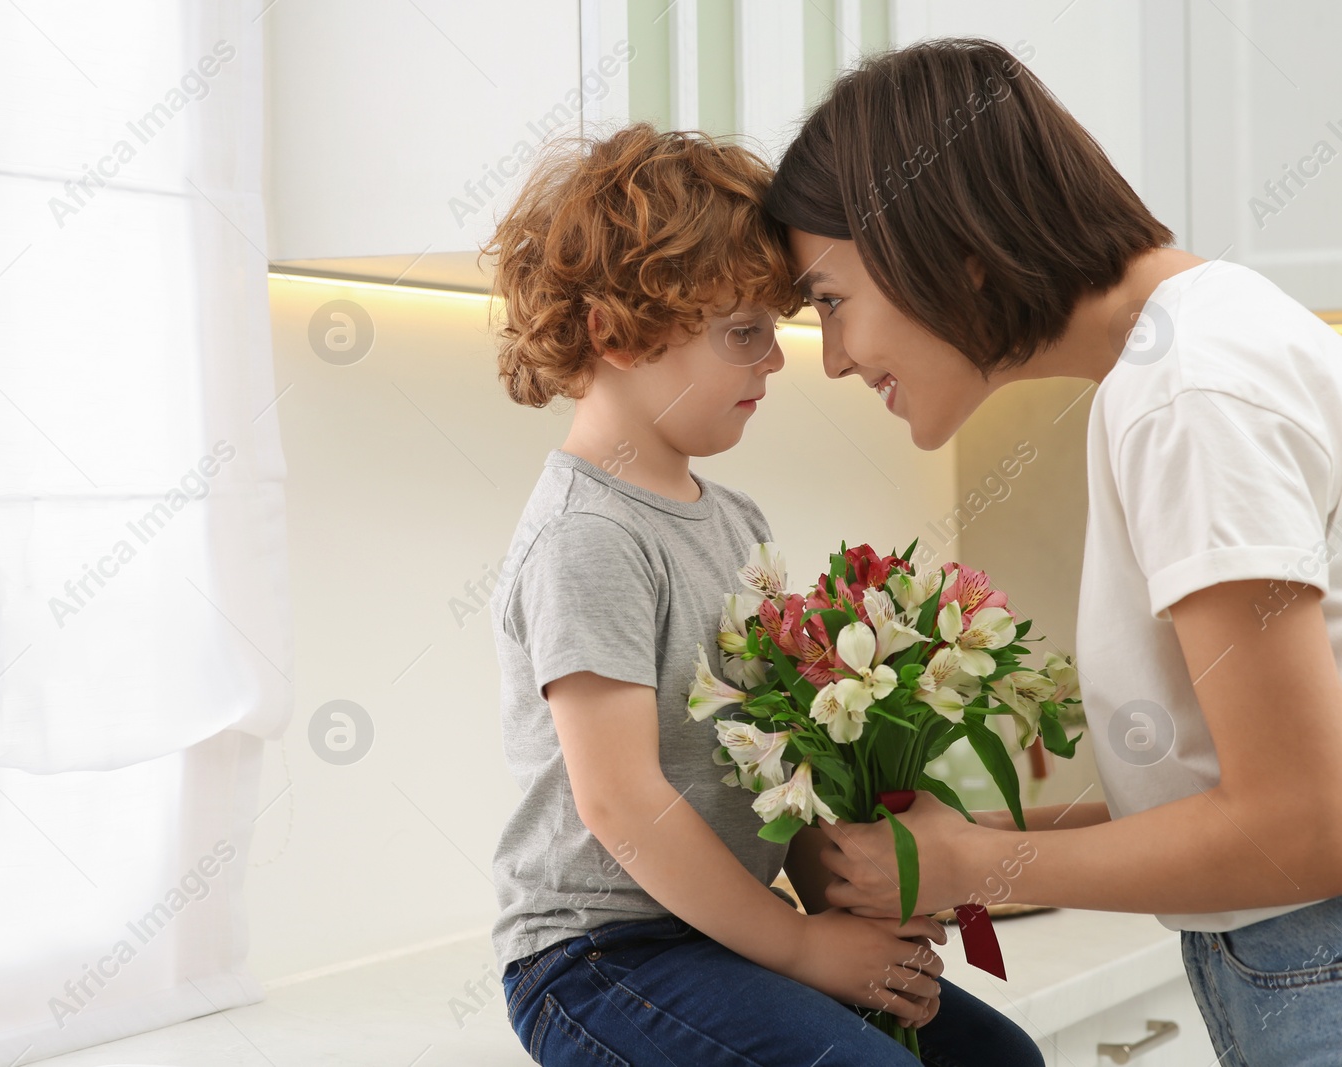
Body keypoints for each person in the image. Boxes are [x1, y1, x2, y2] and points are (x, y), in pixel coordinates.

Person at [764, 37, 1342, 1065]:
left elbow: (1303, 825)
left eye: (831, 300)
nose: (835, 356)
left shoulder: (1185, 391)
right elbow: (1240, 784)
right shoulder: (1185, 351)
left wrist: (977, 868)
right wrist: (954, 849)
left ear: (945, 240)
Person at [481, 121, 1045, 1065]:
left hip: (716, 934)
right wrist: (800, 945)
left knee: (1002, 1060)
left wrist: (853, 894)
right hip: (597, 959)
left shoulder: (733, 519)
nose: (777, 361)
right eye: (744, 334)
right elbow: (621, 803)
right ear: (613, 332)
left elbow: (769, 767)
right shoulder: (589, 537)